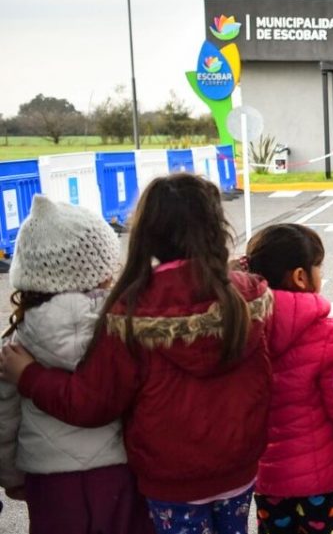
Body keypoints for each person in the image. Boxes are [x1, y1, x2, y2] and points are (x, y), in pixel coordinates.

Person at [0, 173, 274, 534]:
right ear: (216, 226)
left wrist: (30, 376)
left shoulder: (132, 310)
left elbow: (92, 402)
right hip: (239, 467)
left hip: (170, 479)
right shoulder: (245, 294)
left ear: (146, 232)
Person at [0, 195, 152, 534]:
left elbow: (4, 420)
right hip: (120, 472)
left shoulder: (16, 343)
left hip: (49, 482)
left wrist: (12, 477)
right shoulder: (124, 326)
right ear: (101, 269)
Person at [242, 224, 333, 534]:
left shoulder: (244, 330)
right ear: (301, 277)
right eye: (318, 267)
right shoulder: (327, 334)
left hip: (266, 476)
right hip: (319, 480)